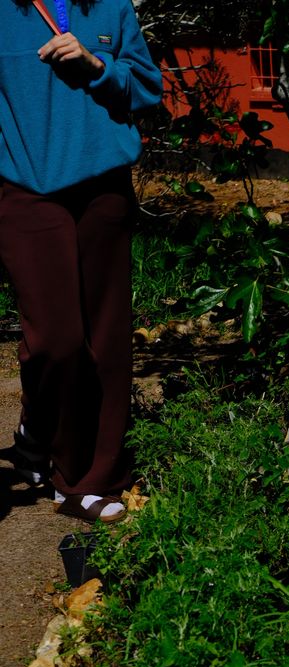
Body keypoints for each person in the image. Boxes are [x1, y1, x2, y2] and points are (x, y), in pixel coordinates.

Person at [0, 0, 162, 523]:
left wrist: (97, 67)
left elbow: (148, 88)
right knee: (56, 339)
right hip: (26, 190)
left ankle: (88, 480)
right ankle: (41, 430)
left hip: (104, 189)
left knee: (107, 339)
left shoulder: (111, 7)